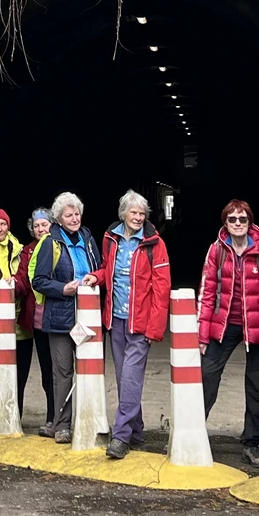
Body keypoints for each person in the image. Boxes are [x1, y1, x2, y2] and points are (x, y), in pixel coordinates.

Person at [197, 199, 259, 468]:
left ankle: (251, 443)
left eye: (243, 219)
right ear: (225, 223)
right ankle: (193, 431)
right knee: (207, 376)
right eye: (233, 219)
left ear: (250, 221)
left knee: (256, 386)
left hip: (255, 325)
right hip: (225, 324)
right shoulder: (216, 251)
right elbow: (207, 292)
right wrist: (202, 333)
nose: (238, 224)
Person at [97, 189, 171, 458]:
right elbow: (108, 269)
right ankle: (137, 431)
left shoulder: (155, 244)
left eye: (142, 213)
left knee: (129, 377)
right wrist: (95, 277)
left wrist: (155, 328)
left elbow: (162, 288)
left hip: (140, 322)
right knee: (124, 378)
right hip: (116, 320)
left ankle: (121, 437)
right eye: (134, 212)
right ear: (123, 214)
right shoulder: (111, 238)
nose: (138, 217)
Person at [31, 191, 102, 443]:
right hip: (61, 319)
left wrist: (97, 277)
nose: (74, 218)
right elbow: (38, 281)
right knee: (63, 373)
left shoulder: (88, 238)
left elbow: (101, 268)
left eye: (77, 214)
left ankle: (90, 419)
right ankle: (62, 426)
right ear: (59, 219)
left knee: (90, 369)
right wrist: (62, 289)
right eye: (68, 215)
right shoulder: (50, 243)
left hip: (88, 315)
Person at [0, 208, 35, 417]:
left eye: (3, 224)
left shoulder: (21, 250)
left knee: (21, 371)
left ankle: (15, 415)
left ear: (8, 226)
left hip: (19, 317)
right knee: (0, 371)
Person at [18, 208, 55, 432]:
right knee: (25, 370)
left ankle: (54, 416)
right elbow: (23, 278)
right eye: (37, 226)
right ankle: (17, 416)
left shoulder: (60, 246)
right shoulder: (28, 251)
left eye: (45, 225)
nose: (40, 229)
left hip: (56, 318)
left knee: (51, 371)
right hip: (35, 318)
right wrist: (11, 286)